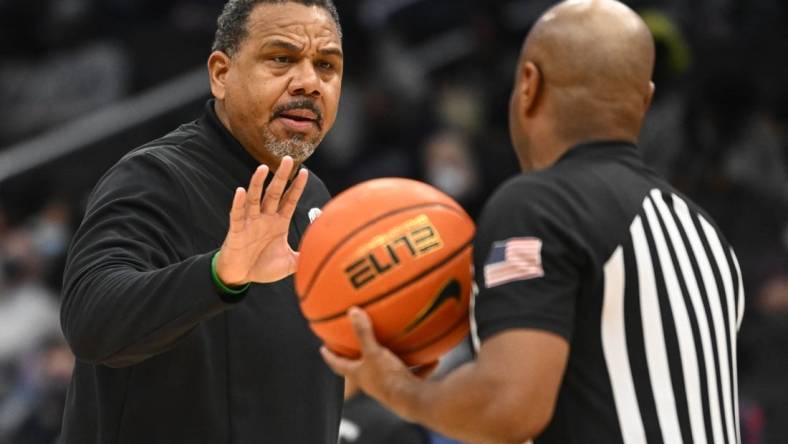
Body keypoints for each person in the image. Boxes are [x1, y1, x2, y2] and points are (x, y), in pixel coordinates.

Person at [322, 1, 745, 443]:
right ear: (646, 100)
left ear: (528, 85)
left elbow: (507, 407)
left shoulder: (542, 205)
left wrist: (398, 390)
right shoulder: (704, 232)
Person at [59, 1, 345, 442]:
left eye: (326, 65)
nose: (309, 82)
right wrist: (221, 274)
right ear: (220, 74)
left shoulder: (316, 199)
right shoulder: (155, 178)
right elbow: (90, 321)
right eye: (281, 59)